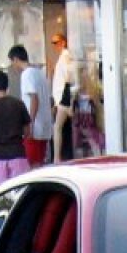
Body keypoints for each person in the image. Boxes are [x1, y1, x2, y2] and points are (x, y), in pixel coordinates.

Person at [8, 45, 52, 166]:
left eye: (12, 62)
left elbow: (34, 98)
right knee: (40, 162)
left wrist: (29, 123)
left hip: (34, 126)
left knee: (32, 164)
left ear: (16, 59)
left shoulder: (27, 74)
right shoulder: (40, 73)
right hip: (44, 124)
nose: (13, 65)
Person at [50, 31, 74, 162]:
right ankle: (57, 157)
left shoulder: (65, 56)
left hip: (65, 96)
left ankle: (57, 158)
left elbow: (68, 77)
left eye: (57, 42)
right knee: (59, 127)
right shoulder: (63, 57)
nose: (55, 45)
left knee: (57, 127)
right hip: (63, 96)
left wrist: (67, 99)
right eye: (53, 43)